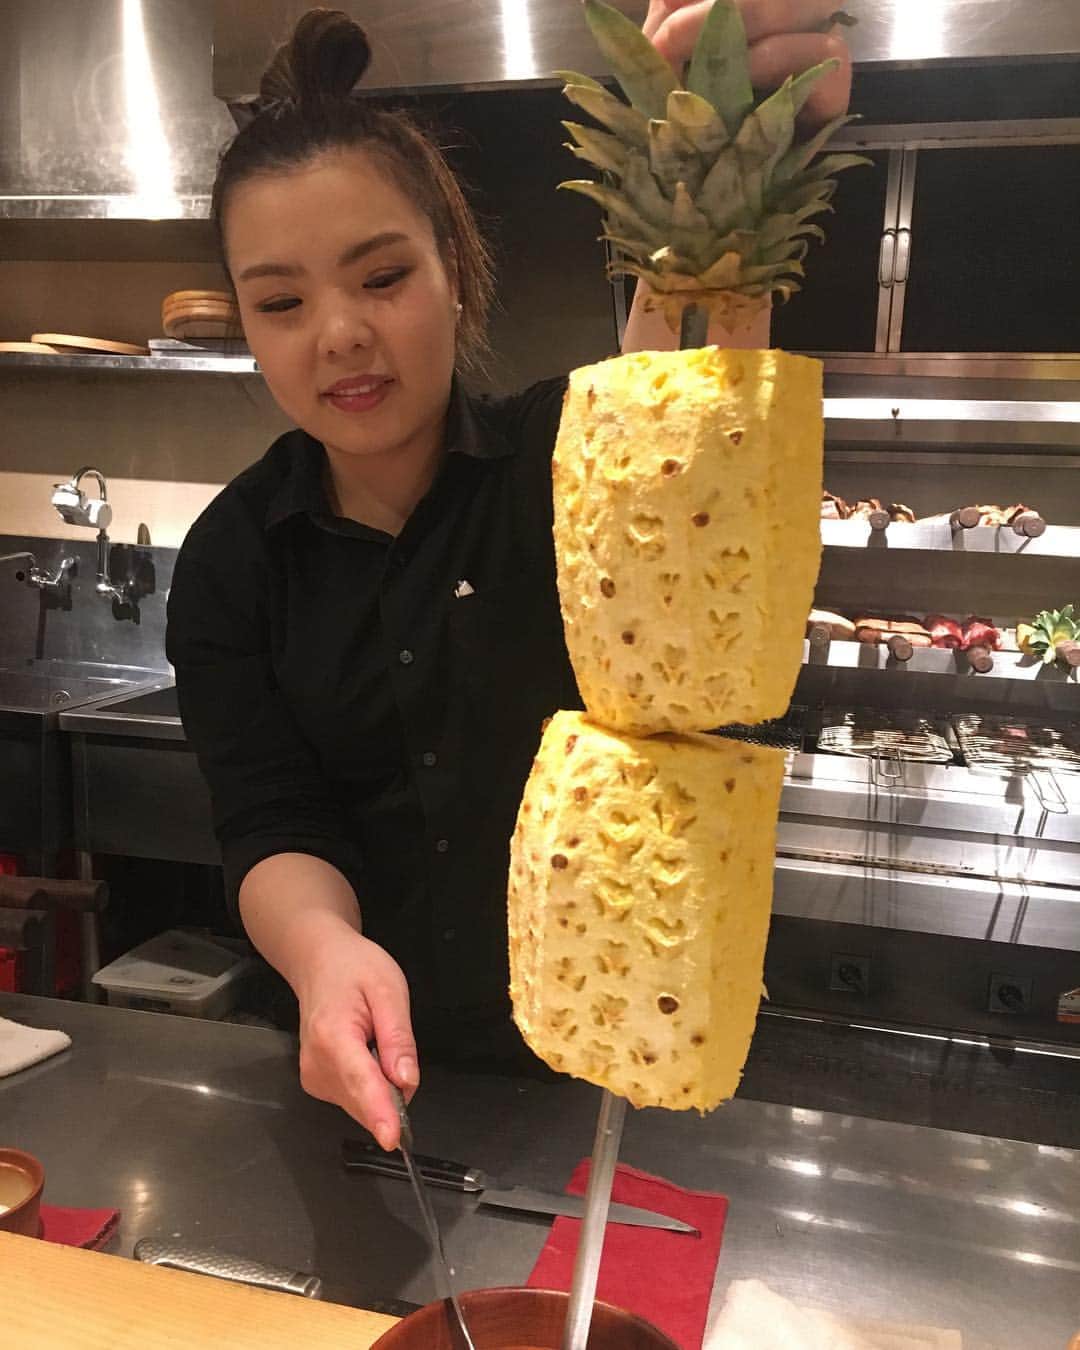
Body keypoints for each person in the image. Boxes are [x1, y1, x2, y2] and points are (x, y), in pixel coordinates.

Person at [166, 1, 852, 1152]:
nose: (338, 333)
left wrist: (737, 184)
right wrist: (325, 956)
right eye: (280, 302)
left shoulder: (568, 454)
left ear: (456, 269)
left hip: (612, 1072)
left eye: (382, 276)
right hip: (369, 1076)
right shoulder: (234, 560)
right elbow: (270, 815)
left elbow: (686, 425)